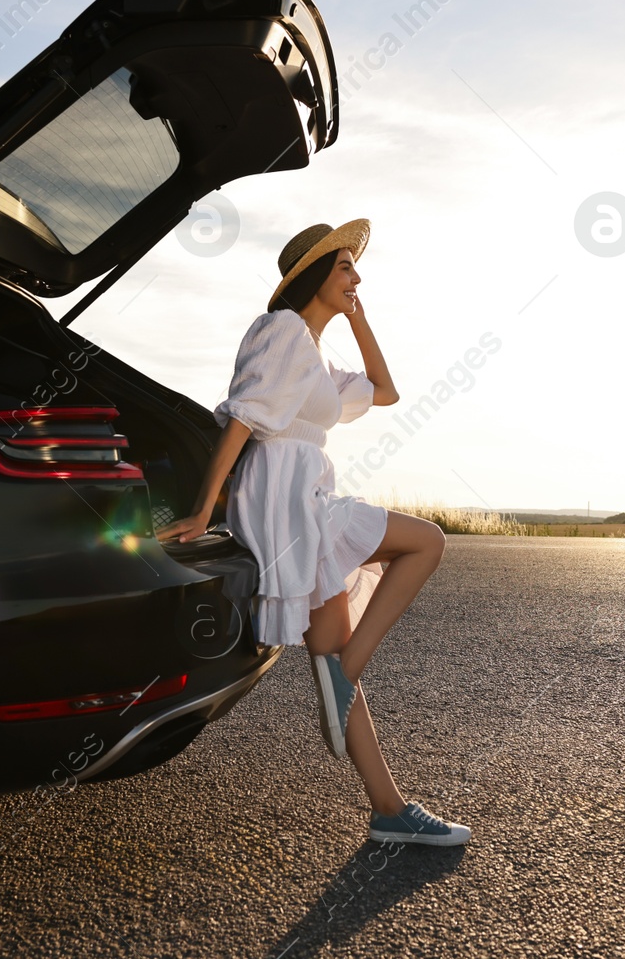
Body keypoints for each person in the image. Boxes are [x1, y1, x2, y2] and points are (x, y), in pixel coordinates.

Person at [156, 219, 470, 847]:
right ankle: (346, 676)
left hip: (307, 491)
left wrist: (358, 320)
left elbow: (385, 391)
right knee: (427, 540)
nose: (357, 276)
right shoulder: (281, 330)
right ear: (317, 274)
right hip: (284, 497)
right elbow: (243, 419)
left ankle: (387, 809)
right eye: (346, 266)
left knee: (330, 651)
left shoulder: (319, 352)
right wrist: (203, 507)